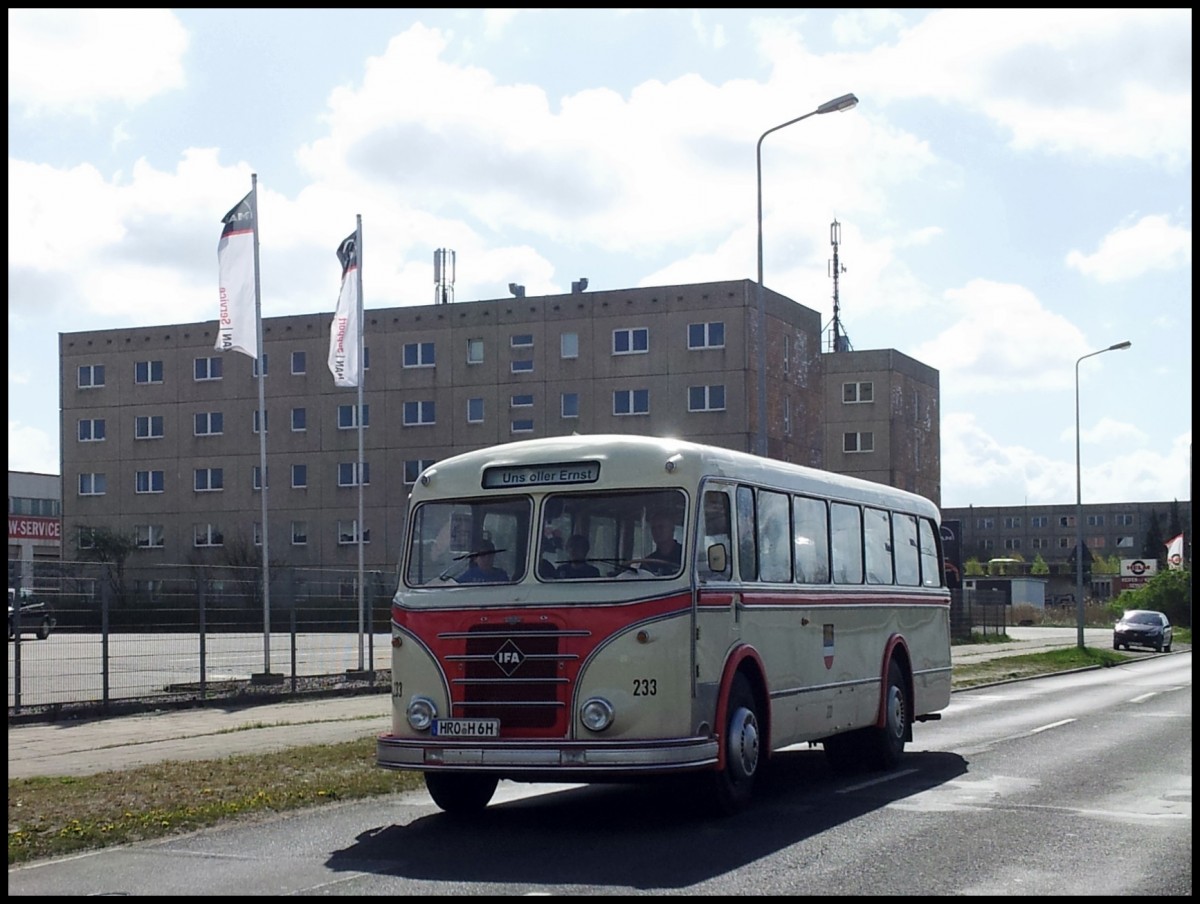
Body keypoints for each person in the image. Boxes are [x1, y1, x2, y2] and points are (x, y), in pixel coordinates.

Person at [639, 509, 682, 575]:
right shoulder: (647, 563)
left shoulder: (684, 556)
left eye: (661, 527)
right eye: (653, 528)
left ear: (672, 529)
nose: (657, 531)